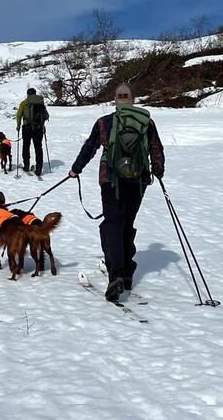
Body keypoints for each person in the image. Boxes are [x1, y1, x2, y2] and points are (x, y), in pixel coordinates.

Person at [67, 83, 164, 301]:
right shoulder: (146, 121)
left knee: (112, 224)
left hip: (110, 180)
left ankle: (116, 276)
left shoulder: (104, 122)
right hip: (138, 181)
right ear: (133, 99)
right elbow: (156, 148)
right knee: (126, 224)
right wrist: (159, 169)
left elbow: (90, 147)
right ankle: (127, 273)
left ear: (115, 100)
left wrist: (76, 169)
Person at [15, 88, 50, 177]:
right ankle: (39, 168)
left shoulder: (24, 103)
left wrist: (18, 126)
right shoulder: (40, 102)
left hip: (26, 127)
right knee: (38, 147)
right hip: (38, 128)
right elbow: (46, 116)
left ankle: (26, 165)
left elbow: (19, 115)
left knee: (26, 145)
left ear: (28, 94)